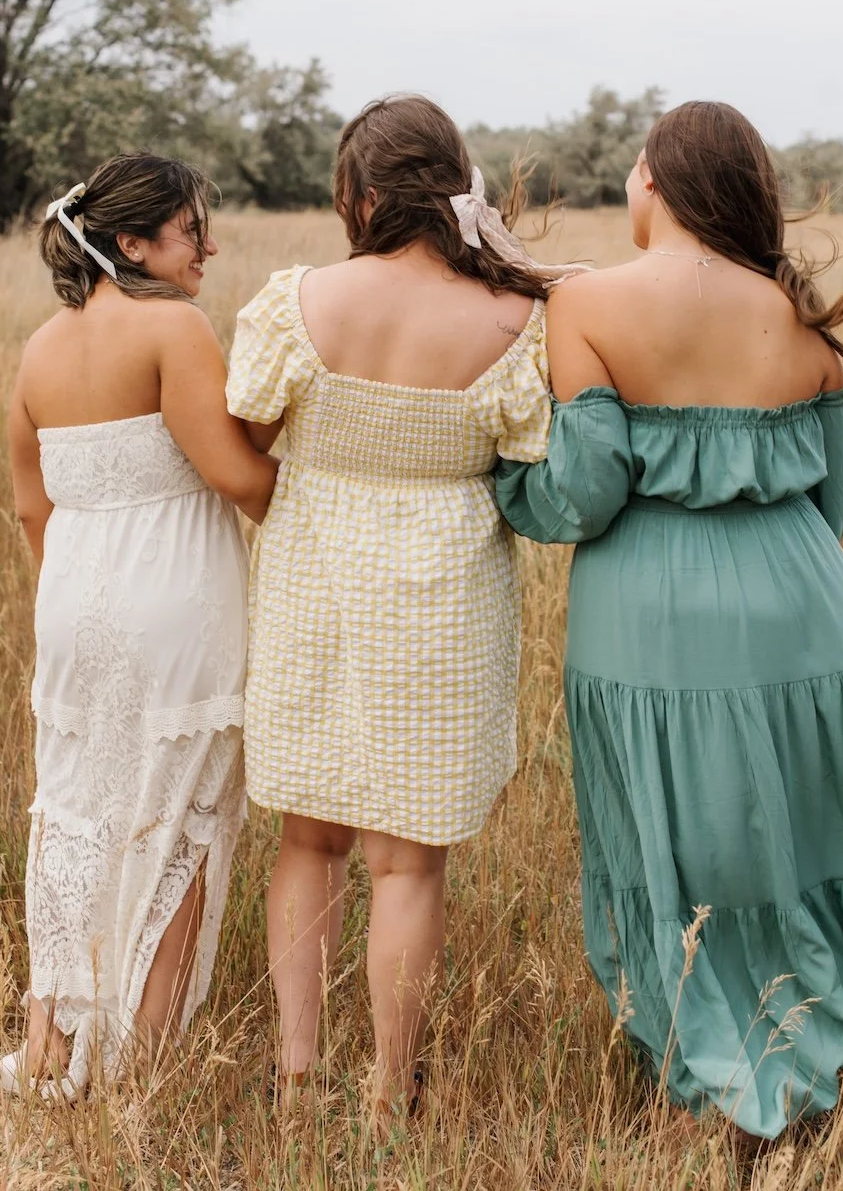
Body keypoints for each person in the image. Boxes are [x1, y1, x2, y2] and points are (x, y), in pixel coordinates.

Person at [496, 100, 843, 1141]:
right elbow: (830, 505)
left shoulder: (587, 306)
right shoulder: (799, 316)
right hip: (808, 609)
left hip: (648, 618)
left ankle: (726, 1052)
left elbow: (584, 494)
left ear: (658, 182)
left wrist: (508, 487)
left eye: (637, 164)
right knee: (822, 814)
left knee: (686, 834)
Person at [226, 94, 577, 1116]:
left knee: (309, 840)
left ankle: (297, 1078)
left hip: (315, 583)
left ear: (363, 193)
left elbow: (244, 437)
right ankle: (388, 1089)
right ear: (456, 188)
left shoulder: (298, 301)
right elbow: (531, 454)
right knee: (406, 863)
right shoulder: (517, 320)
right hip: (443, 601)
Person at [3, 153, 278, 1100]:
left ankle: (48, 1046)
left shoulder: (41, 348)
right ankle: (135, 1068)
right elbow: (240, 481)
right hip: (174, 605)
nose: (210, 244)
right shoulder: (174, 328)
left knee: (74, 813)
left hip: (72, 604)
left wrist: (79, 593)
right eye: (191, 229)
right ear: (132, 243)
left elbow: (32, 506)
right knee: (179, 819)